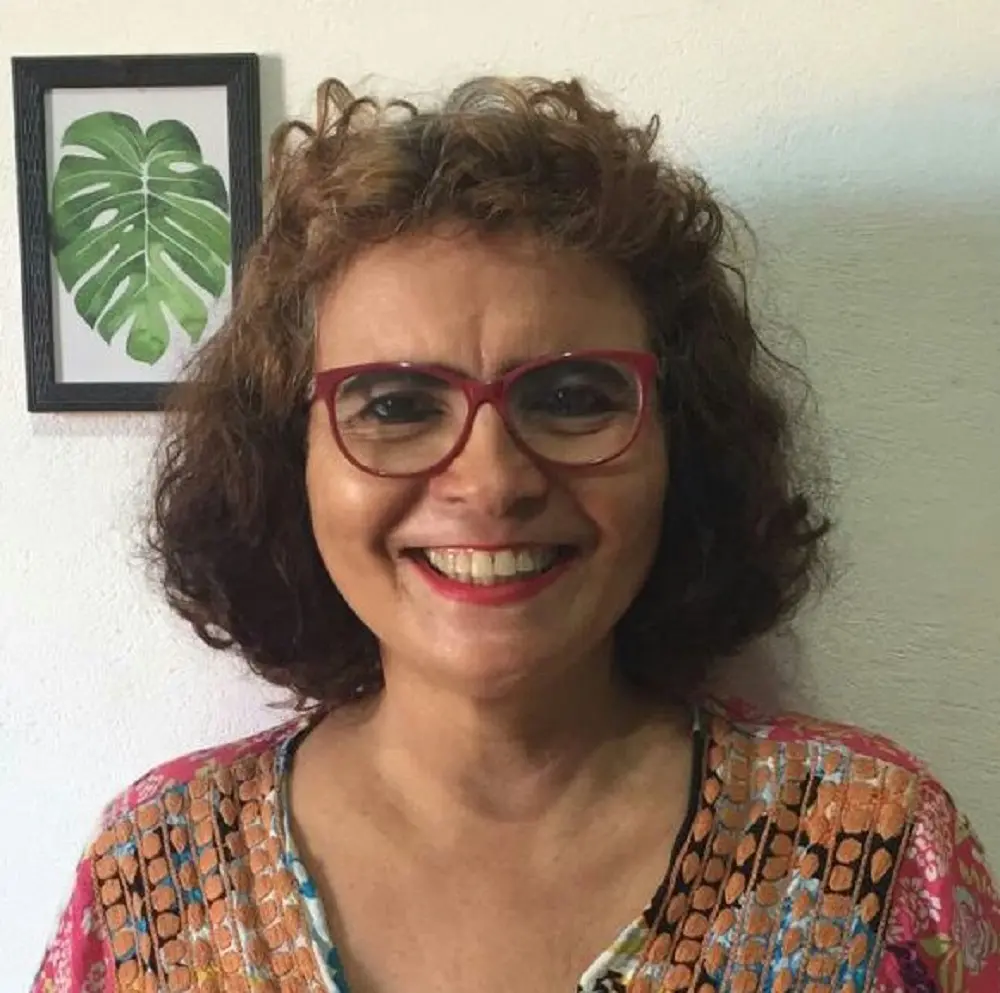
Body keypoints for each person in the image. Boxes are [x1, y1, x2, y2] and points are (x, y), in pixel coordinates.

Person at [31, 75, 998, 993]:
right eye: (396, 404)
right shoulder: (153, 880)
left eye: (572, 398)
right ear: (292, 460)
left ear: (683, 442)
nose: (491, 481)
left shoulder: (875, 857)